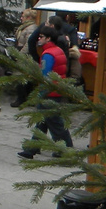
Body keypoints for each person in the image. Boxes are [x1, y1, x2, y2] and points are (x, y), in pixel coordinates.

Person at [19, 26, 74, 159]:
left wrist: (40, 91)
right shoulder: (58, 50)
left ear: (48, 38)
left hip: (48, 92)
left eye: (42, 37)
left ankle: (66, 149)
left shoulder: (48, 54)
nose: (39, 38)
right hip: (57, 90)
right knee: (42, 121)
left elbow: (44, 74)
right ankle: (32, 149)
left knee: (55, 123)